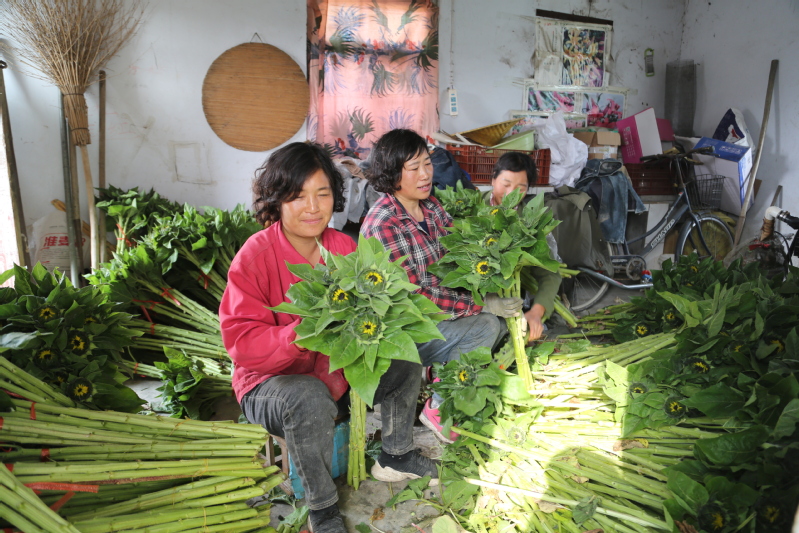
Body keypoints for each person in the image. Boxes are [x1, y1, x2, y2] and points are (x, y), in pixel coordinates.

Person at [219, 143, 437, 533]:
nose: (313, 207)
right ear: (277, 201)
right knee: (307, 395)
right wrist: (302, 333)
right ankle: (320, 509)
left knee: (405, 356)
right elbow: (243, 343)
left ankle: (397, 454)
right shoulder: (254, 256)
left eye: (322, 194)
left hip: (336, 373)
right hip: (269, 385)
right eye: (297, 196)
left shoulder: (344, 247)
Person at [360, 129, 521, 443]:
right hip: (402, 330)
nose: (425, 174)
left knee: (499, 325)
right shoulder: (383, 224)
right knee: (486, 326)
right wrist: (481, 305)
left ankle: (443, 380)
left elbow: (456, 258)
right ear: (392, 174)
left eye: (427, 163)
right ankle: (438, 407)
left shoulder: (431, 207)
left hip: (437, 316)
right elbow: (414, 296)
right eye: (414, 168)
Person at [484, 151, 562, 341]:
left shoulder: (532, 221)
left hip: (516, 301)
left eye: (521, 187)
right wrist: (485, 302)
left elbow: (550, 272)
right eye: (506, 185)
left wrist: (537, 311)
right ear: (493, 179)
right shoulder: (471, 210)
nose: (511, 193)